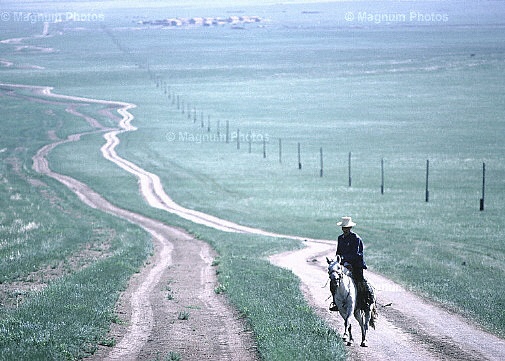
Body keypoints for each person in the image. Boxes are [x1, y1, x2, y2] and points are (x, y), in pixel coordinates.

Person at [329, 216, 375, 312]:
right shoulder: (340, 238)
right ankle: (336, 302)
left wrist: (346, 260)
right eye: (343, 228)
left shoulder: (356, 238)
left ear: (350, 228)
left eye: (347, 228)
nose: (345, 229)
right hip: (344, 265)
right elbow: (338, 252)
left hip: (356, 265)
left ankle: (365, 301)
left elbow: (356, 254)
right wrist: (340, 261)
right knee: (333, 280)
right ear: (342, 228)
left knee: (360, 281)